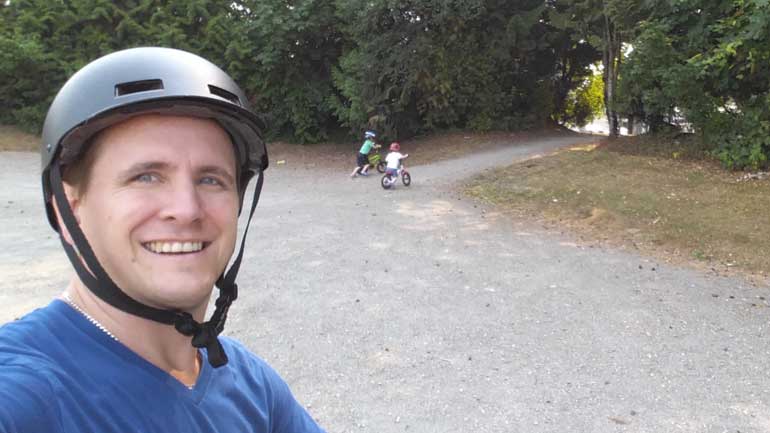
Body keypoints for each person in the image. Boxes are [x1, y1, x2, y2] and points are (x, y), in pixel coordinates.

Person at [0, 47, 325, 433]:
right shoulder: (29, 393)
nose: (187, 209)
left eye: (210, 179)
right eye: (146, 177)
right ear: (68, 213)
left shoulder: (253, 388)